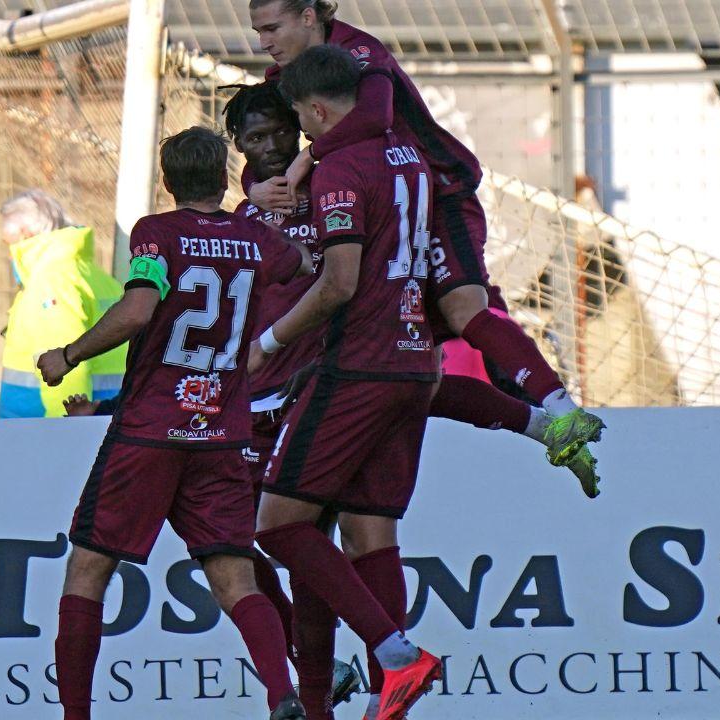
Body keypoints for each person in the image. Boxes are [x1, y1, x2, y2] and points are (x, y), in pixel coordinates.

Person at [245, 0, 606, 476]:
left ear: (309, 17)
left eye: (272, 28)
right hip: (379, 217)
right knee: (405, 371)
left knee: (463, 312)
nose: (264, 42)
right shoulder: (282, 78)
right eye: (258, 31)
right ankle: (543, 426)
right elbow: (269, 142)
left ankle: (562, 413)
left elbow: (372, 118)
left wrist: (308, 159)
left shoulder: (361, 55)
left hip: (437, 197)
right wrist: (255, 185)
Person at [35, 127, 313, 720]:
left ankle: (75, 716)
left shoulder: (155, 233)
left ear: (166, 181)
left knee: (88, 568)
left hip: (150, 428)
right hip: (224, 431)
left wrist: (69, 355)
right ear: (222, 176)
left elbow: (138, 310)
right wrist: (258, 214)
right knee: (234, 574)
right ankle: (281, 692)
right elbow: (303, 262)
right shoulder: (253, 236)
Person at [249, 45, 442, 720]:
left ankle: (396, 655)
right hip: (417, 361)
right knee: (370, 533)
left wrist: (269, 341)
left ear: (320, 109)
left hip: (358, 365)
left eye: (301, 119)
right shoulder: (406, 154)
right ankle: (391, 698)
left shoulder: (340, 169)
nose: (301, 133)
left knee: (277, 525)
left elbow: (339, 283)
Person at [0, 190, 126, 418]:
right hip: (104, 422)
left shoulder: (52, 281)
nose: (10, 255)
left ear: (24, 234)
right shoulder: (88, 273)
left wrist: (64, 432)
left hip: (42, 434)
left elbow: (66, 373)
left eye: (9, 244)